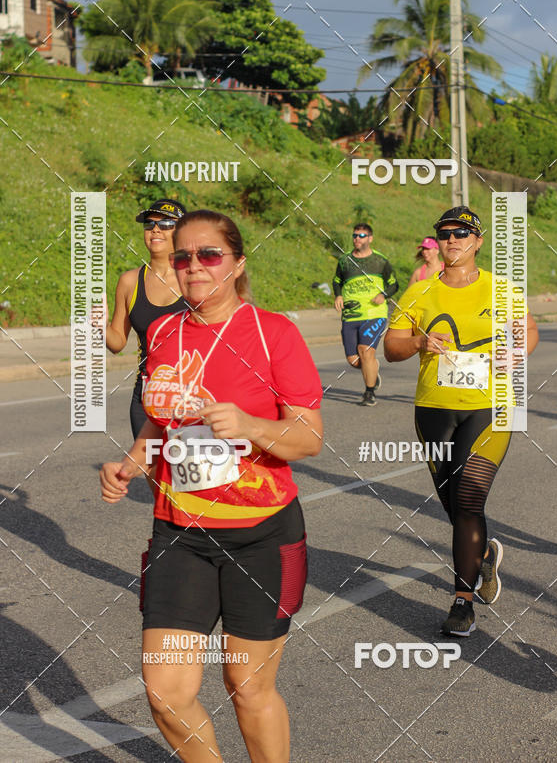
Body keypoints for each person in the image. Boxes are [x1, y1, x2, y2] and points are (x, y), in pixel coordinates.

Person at [100, 209, 323, 763]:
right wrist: (130, 462)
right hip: (181, 534)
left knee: (248, 689)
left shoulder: (274, 333)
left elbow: (309, 437)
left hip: (262, 535)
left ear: (237, 263)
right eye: (182, 256)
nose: (193, 265)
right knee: (167, 694)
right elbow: (160, 416)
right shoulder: (165, 332)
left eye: (208, 255)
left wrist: (249, 426)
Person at [384, 206, 539, 637]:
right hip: (433, 408)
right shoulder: (419, 293)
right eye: (445, 234)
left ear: (478, 241)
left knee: (469, 499)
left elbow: (528, 331)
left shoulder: (501, 288)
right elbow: (391, 349)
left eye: (461, 233)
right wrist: (419, 341)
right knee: (454, 503)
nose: (452, 241)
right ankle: (482, 558)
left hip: (493, 404)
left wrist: (517, 350)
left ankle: (462, 602)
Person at [104, 198, 188, 438]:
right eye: (149, 224)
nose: (155, 230)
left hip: (193, 396)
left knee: (186, 473)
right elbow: (117, 342)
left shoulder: (196, 277)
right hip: (147, 397)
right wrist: (99, 326)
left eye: (166, 223)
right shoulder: (129, 281)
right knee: (150, 472)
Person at [333, 222, 399, 406]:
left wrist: (383, 294)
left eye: (361, 236)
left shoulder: (381, 261)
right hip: (350, 315)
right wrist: (338, 295)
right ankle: (372, 371)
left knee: (365, 351)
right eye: (355, 235)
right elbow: (337, 281)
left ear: (370, 238)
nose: (357, 239)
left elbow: (394, 284)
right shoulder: (345, 261)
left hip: (374, 313)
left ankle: (369, 393)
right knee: (354, 360)